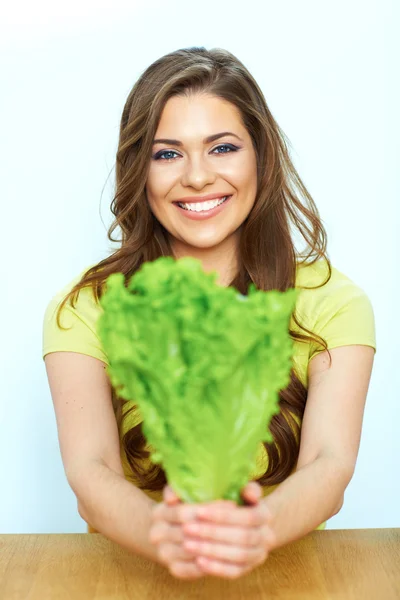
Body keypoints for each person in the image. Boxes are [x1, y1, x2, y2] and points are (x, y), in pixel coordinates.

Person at [42, 46, 376, 581]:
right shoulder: (84, 308)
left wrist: (257, 529)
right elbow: (91, 470)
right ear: (139, 170)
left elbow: (329, 464)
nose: (196, 177)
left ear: (260, 157)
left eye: (222, 148)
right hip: (134, 581)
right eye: (167, 153)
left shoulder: (333, 303)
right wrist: (165, 534)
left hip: (287, 580)